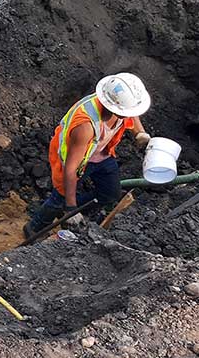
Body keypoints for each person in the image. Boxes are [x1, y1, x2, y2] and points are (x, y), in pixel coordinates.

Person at [24, 73, 151, 238]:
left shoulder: (119, 105)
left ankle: (71, 211)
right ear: (112, 106)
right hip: (73, 159)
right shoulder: (85, 126)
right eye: (126, 112)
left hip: (102, 154)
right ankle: (34, 228)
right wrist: (71, 207)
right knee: (60, 198)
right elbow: (71, 168)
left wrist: (139, 133)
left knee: (110, 193)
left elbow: (131, 111)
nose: (129, 115)